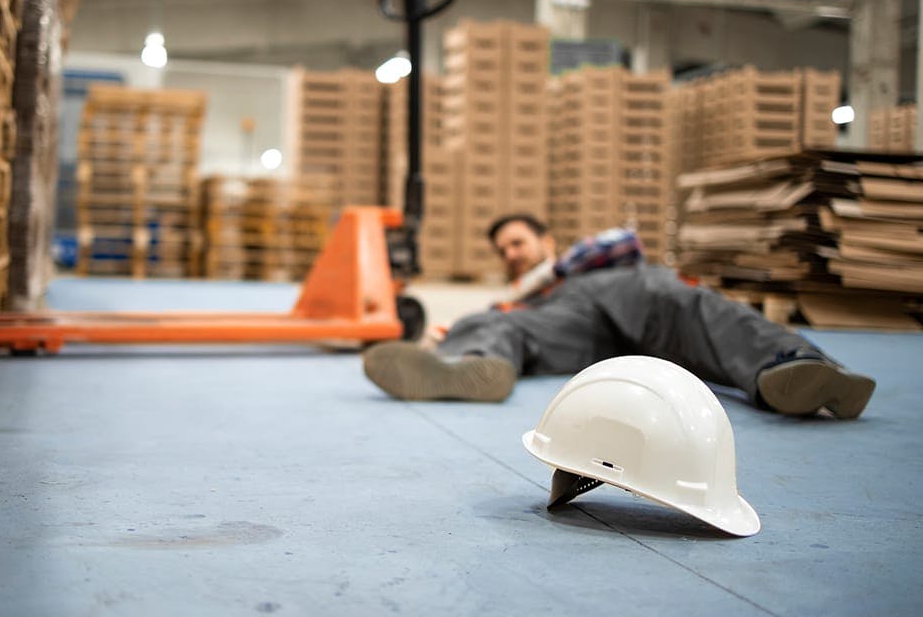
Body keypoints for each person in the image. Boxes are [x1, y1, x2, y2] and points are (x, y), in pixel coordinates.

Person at [363, 214, 876, 418]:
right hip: (573, 324)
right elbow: (505, 312)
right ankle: (469, 368)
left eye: (517, 242)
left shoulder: (589, 258)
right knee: (500, 321)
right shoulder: (524, 294)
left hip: (624, 295)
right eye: (503, 251)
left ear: (546, 241)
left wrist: (550, 273)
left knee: (692, 306)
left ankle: (794, 368)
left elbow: (625, 242)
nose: (511, 254)